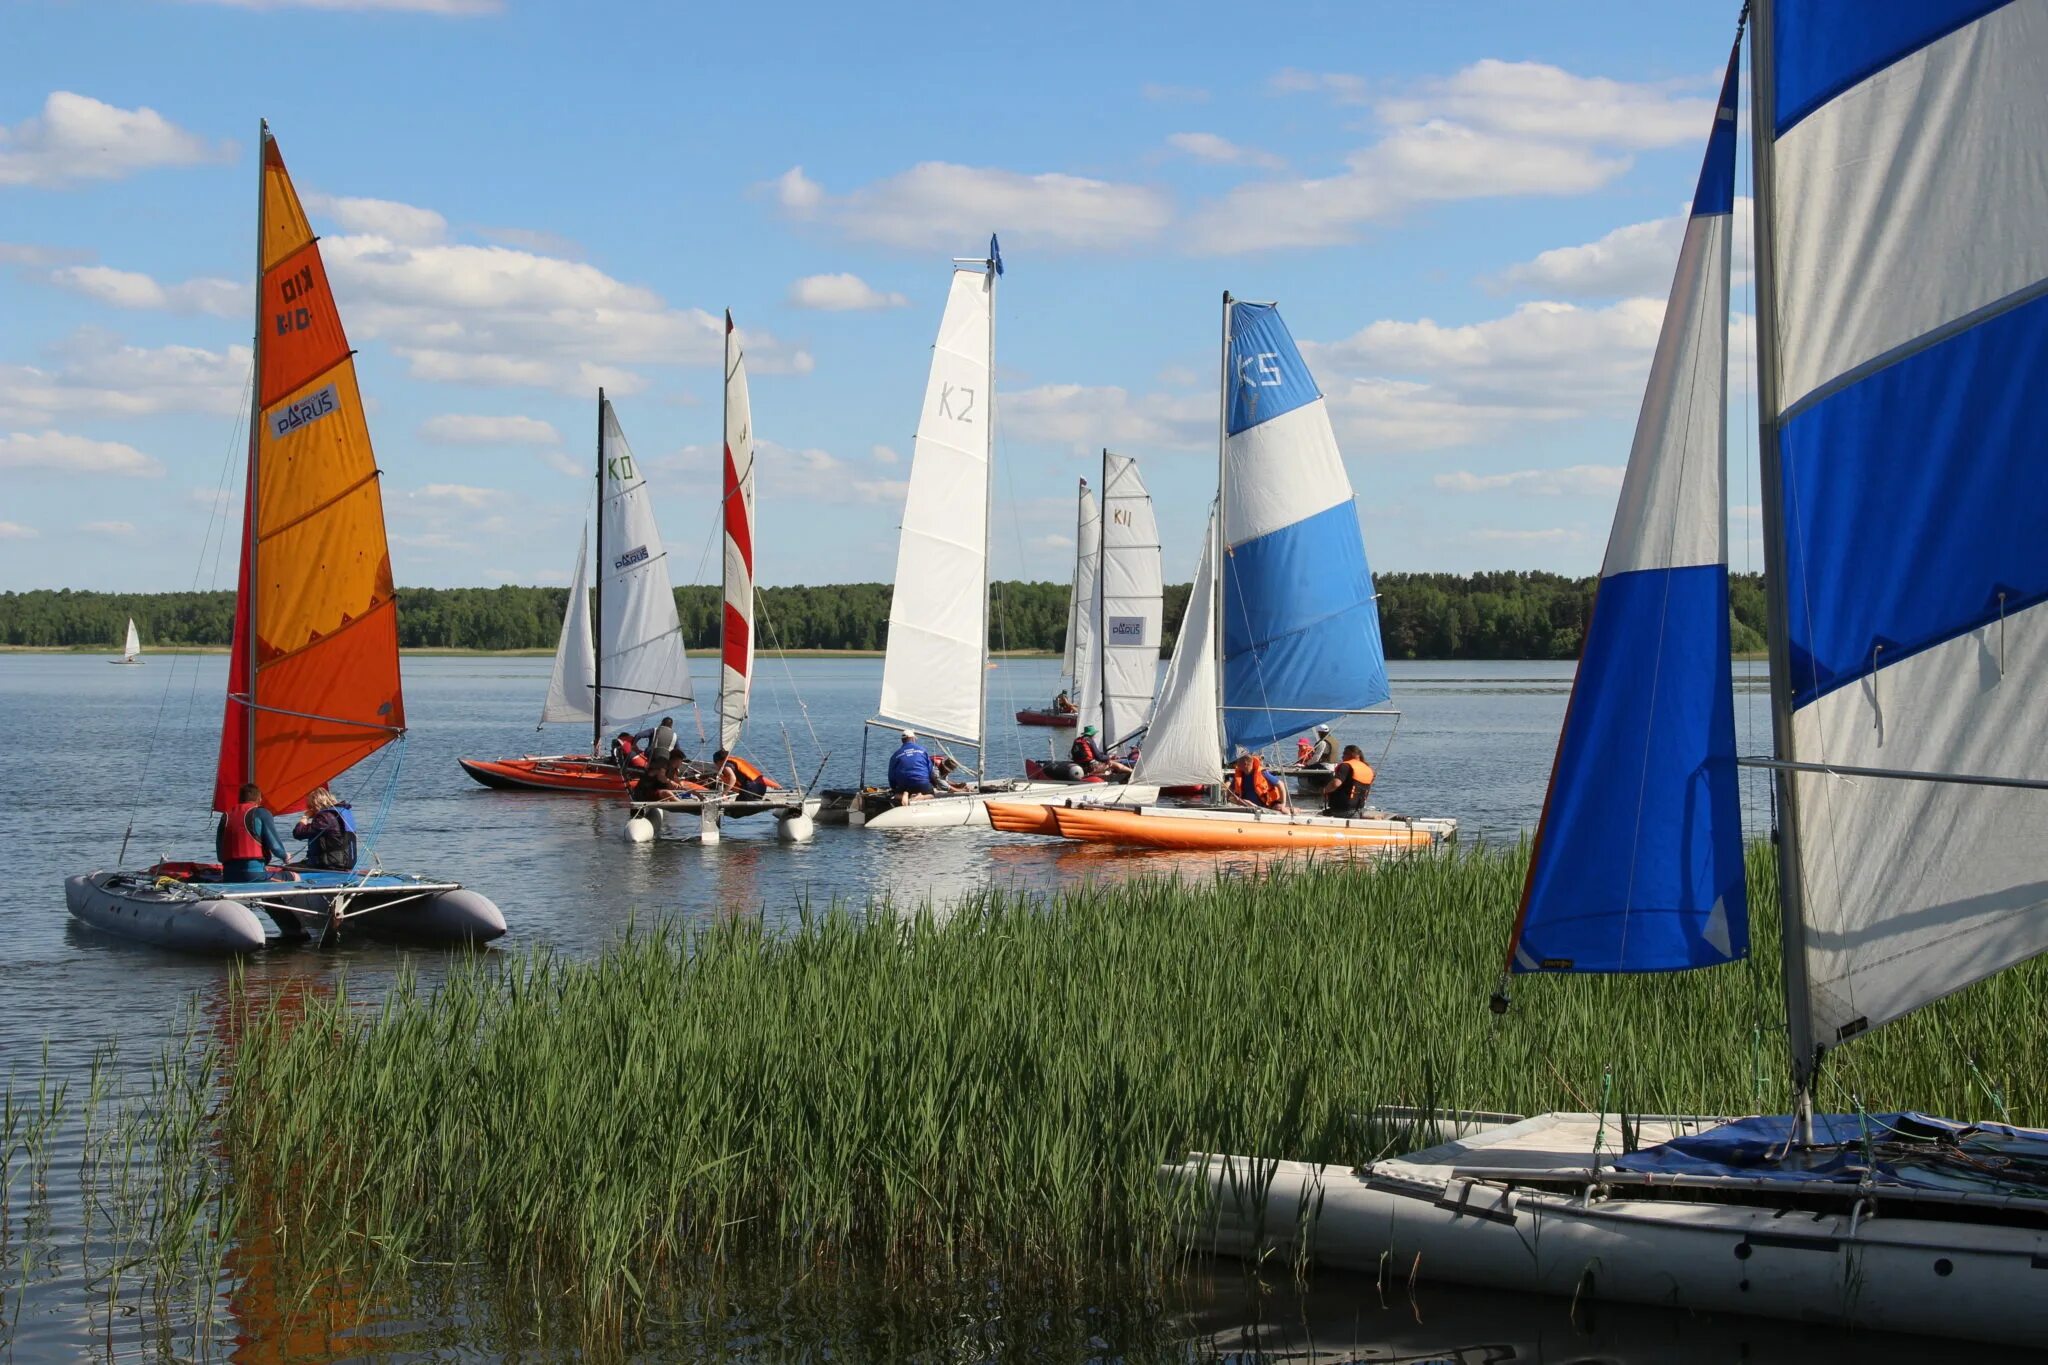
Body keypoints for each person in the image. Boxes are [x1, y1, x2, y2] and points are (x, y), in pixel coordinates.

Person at [216, 782, 289, 882]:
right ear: (259, 800)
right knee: (292, 876)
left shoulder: (226, 816)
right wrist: (285, 856)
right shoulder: (261, 813)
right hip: (254, 875)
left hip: (229, 875)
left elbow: (220, 855)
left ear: (239, 800)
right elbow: (276, 847)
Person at [291, 786, 358, 871]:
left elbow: (298, 833)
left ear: (315, 804)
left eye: (309, 806)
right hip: (345, 863)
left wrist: (305, 817)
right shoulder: (339, 813)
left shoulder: (325, 818)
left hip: (329, 864)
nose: (308, 808)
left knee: (286, 871)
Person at [1323, 745, 1376, 817]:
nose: (1342, 757)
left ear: (1351, 754)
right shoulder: (1368, 768)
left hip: (1343, 810)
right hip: (1359, 809)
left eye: (1344, 754)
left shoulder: (1346, 766)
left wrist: (1325, 790)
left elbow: (1335, 783)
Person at [888, 729, 935, 803]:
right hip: (922, 783)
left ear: (902, 740)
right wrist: (931, 783)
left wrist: (894, 788)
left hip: (904, 785)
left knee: (895, 795)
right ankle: (921, 797)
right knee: (932, 795)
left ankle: (905, 795)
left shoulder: (895, 755)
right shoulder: (922, 750)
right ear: (913, 739)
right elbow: (930, 771)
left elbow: (891, 776)